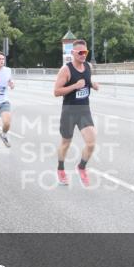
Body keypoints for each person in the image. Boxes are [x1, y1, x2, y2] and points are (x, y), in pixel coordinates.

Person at [54, 39, 99, 187]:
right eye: (80, 52)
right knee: (66, 142)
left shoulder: (88, 66)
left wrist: (92, 84)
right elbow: (56, 92)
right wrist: (74, 86)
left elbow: (86, 81)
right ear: (73, 53)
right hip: (69, 112)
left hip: (84, 110)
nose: (83, 55)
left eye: (85, 52)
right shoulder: (65, 70)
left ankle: (81, 167)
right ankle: (60, 169)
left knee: (91, 142)